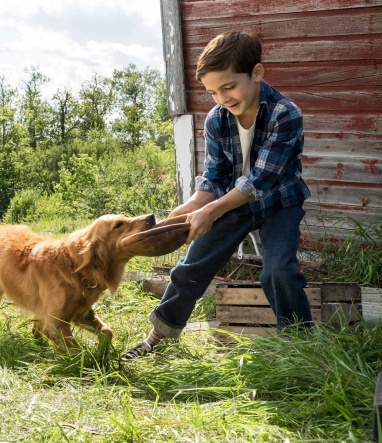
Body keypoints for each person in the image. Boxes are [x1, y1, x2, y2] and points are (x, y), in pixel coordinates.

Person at [122, 31, 312, 359]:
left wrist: (209, 212)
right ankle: (159, 338)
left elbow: (259, 182)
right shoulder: (216, 120)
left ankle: (299, 346)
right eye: (213, 92)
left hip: (280, 201)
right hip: (233, 202)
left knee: (278, 271)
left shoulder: (285, 113)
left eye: (229, 87)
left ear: (256, 73)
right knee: (190, 267)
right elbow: (212, 180)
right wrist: (185, 212)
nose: (222, 98)